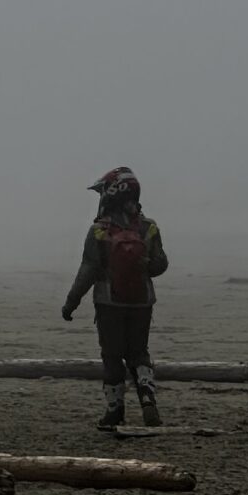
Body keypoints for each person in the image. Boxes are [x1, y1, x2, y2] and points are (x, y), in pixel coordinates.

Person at [61, 165, 168, 430]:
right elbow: (160, 265)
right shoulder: (149, 227)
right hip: (142, 301)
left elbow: (87, 271)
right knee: (139, 352)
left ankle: (114, 411)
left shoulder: (99, 230)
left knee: (111, 355)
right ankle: (147, 397)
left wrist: (71, 303)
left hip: (109, 303)